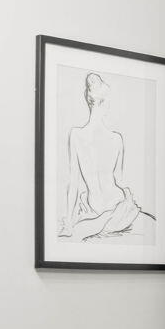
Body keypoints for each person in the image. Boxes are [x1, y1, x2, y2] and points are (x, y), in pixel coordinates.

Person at [59, 71, 150, 242]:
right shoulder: (116, 138)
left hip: (99, 207)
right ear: (104, 102)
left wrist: (70, 222)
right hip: (118, 204)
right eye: (109, 101)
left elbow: (74, 184)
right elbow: (119, 179)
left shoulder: (76, 135)